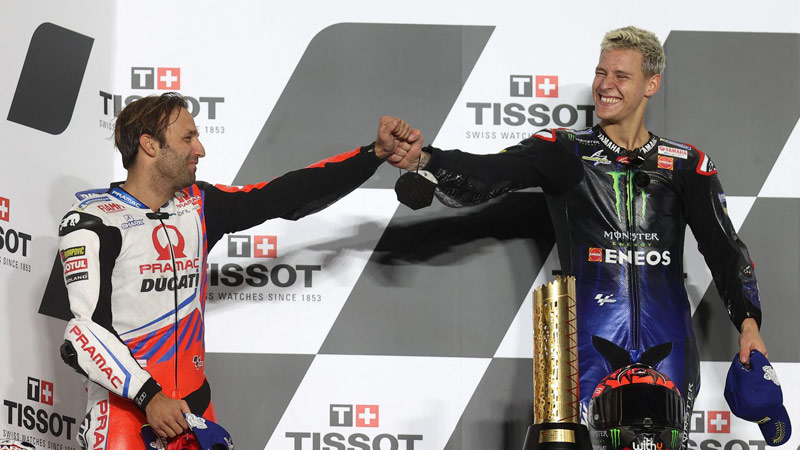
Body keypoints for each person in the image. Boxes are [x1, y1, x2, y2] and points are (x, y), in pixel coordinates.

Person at [388, 26, 767, 441]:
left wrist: (748, 323)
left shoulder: (686, 164)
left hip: (668, 346)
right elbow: (488, 173)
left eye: (620, 75)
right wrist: (426, 159)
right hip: (585, 346)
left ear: (651, 84)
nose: (605, 85)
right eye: (601, 72)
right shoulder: (564, 150)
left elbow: (724, 248)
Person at [57, 92, 417, 449]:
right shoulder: (95, 220)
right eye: (187, 138)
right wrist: (149, 396)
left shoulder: (198, 205)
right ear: (149, 145)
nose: (199, 149)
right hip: (127, 411)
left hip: (195, 411)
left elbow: (286, 194)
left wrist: (373, 154)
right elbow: (84, 333)